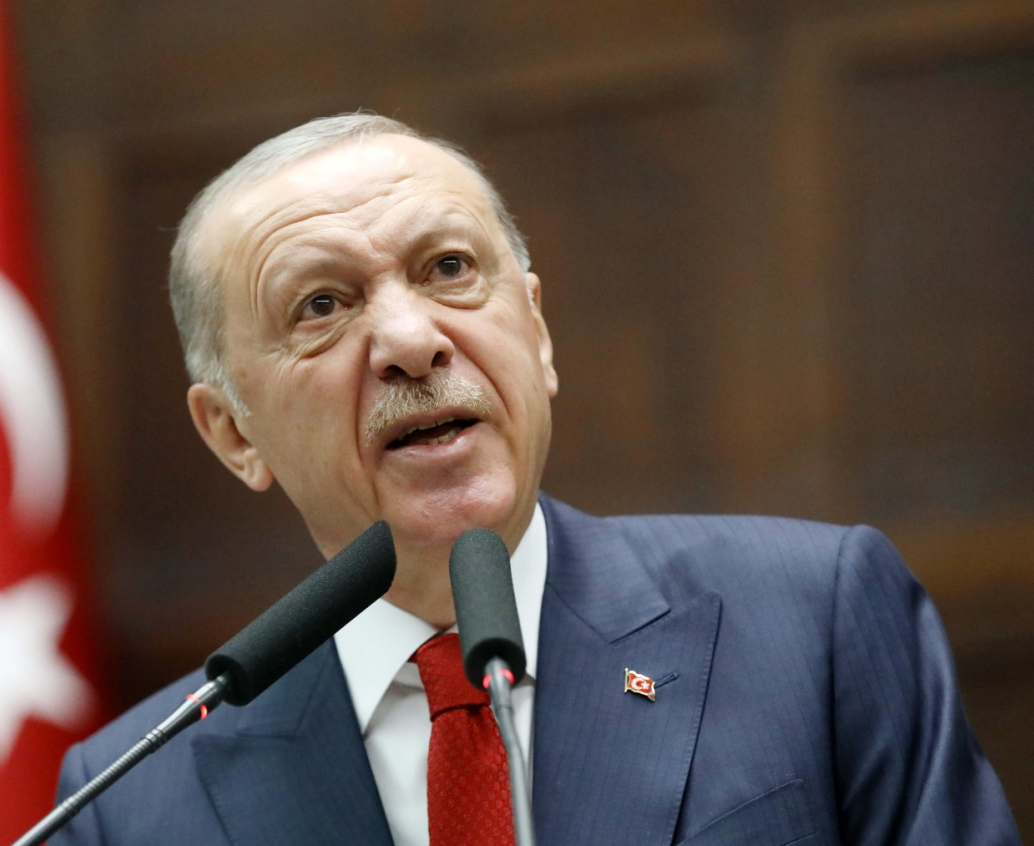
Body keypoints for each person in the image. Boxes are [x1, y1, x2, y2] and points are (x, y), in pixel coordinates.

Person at [51, 115, 1019, 845]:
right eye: (321, 305)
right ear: (233, 434)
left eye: (448, 267)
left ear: (539, 333)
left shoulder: (812, 622)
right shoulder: (131, 800)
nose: (411, 340)